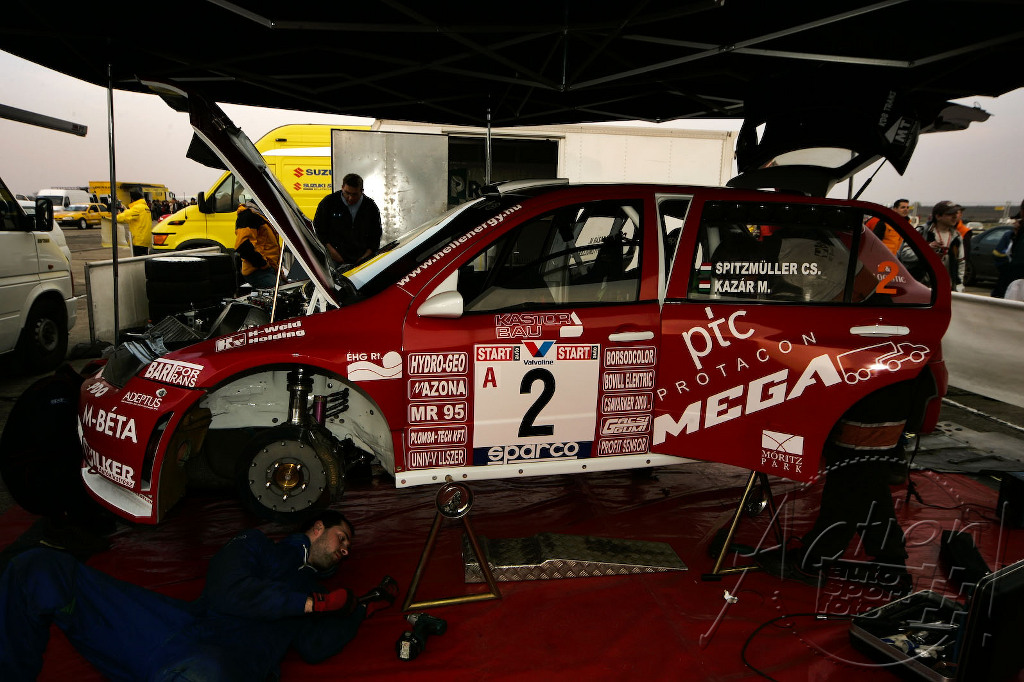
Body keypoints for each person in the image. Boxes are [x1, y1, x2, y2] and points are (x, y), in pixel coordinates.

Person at [0, 509, 398, 681]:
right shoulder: (256, 545)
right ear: (317, 528)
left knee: (202, 673)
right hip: (172, 629)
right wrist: (309, 604)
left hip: (224, 664)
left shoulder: (317, 593)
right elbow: (227, 592)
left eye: (349, 547)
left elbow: (313, 648)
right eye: (342, 538)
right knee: (39, 568)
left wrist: (356, 610)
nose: (346, 549)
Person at [755, 381, 915, 596]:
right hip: (885, 393)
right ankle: (891, 564)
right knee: (869, 480)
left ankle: (811, 564)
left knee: (849, 481)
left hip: (873, 397)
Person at [313, 173, 382, 267]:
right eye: (347, 193)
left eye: (355, 194)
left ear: (362, 191)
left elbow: (376, 235)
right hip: (334, 259)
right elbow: (318, 229)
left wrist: (365, 257)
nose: (350, 198)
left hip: (361, 260)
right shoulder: (329, 203)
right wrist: (331, 251)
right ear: (342, 188)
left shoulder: (370, 207)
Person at [235, 200, 282, 288]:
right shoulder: (249, 216)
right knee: (280, 292)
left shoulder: (261, 215)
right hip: (258, 271)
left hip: (269, 269)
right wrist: (263, 264)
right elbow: (242, 245)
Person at [115, 189, 153, 257]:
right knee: (143, 258)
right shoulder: (145, 207)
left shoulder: (137, 208)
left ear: (132, 199)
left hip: (138, 240)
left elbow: (125, 217)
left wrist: (114, 217)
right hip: (145, 238)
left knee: (138, 259)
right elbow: (132, 217)